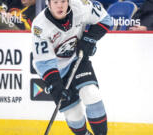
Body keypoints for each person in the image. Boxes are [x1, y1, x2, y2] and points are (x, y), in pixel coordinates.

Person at [31, 0, 112, 135]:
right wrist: (56, 85)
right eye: (55, 2)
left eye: (63, 1)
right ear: (48, 3)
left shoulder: (81, 6)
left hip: (77, 61)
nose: (60, 5)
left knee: (91, 94)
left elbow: (106, 19)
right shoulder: (40, 25)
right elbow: (44, 62)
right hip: (55, 71)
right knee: (74, 115)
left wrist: (89, 39)